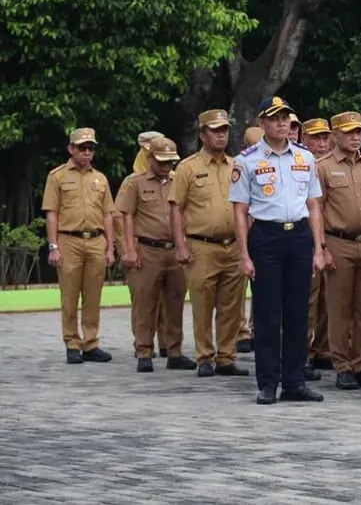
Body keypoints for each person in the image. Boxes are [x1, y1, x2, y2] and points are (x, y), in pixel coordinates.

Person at [231, 97, 327, 404]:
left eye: (286, 117)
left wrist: (318, 248)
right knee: (268, 314)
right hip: (266, 236)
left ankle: (295, 381)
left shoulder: (304, 157)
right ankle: (268, 383)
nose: (282, 123)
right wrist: (244, 254)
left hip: (298, 236)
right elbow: (240, 210)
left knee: (299, 314)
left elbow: (314, 205)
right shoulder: (247, 160)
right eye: (275, 118)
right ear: (262, 123)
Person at [171, 109, 248, 379]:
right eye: (215, 131)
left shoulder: (237, 165)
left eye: (224, 130)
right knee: (202, 304)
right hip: (201, 246)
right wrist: (180, 245)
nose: (221, 135)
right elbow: (176, 208)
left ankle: (226, 356)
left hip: (233, 244)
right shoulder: (188, 167)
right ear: (203, 135)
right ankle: (205, 356)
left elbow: (246, 205)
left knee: (232, 305)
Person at [316, 111, 361, 391]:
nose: (356, 137)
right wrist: (322, 248)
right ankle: (342, 366)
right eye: (349, 132)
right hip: (338, 242)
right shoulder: (323, 167)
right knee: (339, 308)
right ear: (335, 135)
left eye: (359, 132)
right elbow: (316, 210)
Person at [117, 136, 195, 372]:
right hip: (148, 250)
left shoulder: (178, 180)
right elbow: (126, 216)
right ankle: (144, 351)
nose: (166, 166)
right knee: (146, 303)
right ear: (149, 158)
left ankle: (174, 351)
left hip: (175, 251)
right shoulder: (135, 182)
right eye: (161, 161)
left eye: (170, 161)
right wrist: (129, 250)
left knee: (175, 303)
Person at [44, 128, 117, 364]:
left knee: (93, 296)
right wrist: (53, 246)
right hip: (69, 240)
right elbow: (52, 213)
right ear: (71, 149)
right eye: (82, 148)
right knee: (69, 296)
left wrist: (110, 248)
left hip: (96, 240)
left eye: (91, 148)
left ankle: (91, 343)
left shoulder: (101, 178)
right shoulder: (57, 176)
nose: (87, 152)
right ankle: (72, 343)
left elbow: (108, 214)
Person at [300, 118, 334, 376]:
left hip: (334, 240)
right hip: (307, 239)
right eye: (315, 138)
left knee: (328, 300)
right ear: (304, 139)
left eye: (325, 137)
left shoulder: (333, 165)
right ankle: (301, 354)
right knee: (307, 301)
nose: (322, 143)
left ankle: (322, 349)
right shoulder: (299, 164)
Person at [235, 125, 264, 354]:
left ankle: (254, 329)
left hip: (262, 235)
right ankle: (240, 330)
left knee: (262, 290)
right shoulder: (240, 164)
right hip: (236, 236)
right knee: (236, 290)